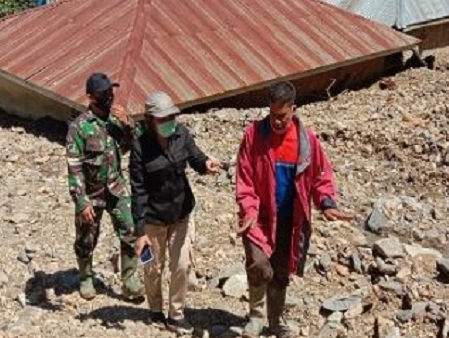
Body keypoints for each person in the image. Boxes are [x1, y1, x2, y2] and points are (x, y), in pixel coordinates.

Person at [235, 81, 353, 338]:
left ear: (293, 109)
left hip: (290, 220)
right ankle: (255, 317)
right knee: (258, 264)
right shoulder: (254, 135)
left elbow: (320, 176)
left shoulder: (306, 140)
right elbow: (245, 178)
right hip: (259, 218)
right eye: (273, 115)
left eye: (283, 116)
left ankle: (275, 320)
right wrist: (248, 210)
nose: (277, 122)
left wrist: (326, 203)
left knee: (280, 271)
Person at [130, 91, 222, 335]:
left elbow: (196, 157)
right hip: (152, 220)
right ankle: (154, 309)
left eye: (171, 116)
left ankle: (176, 315)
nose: (169, 122)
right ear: (150, 120)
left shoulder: (181, 134)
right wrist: (140, 232)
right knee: (151, 266)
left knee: (182, 265)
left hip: (182, 212)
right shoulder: (140, 147)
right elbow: (138, 190)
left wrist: (206, 164)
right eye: (163, 119)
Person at [66, 72, 141, 300]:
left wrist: (129, 124)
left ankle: (130, 280)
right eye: (103, 94)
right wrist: (81, 201)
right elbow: (74, 166)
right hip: (92, 193)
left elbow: (137, 145)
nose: (109, 97)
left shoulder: (115, 121)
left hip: (116, 188)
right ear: (90, 97)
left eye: (110, 92)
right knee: (86, 238)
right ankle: (86, 277)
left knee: (130, 229)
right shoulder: (80, 127)